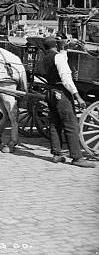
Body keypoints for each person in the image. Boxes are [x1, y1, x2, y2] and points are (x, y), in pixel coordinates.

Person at [41, 36, 95, 167]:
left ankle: (57, 154)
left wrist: (64, 49)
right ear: (56, 45)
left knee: (55, 123)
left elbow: (61, 61)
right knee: (71, 125)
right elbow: (66, 79)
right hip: (61, 93)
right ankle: (77, 157)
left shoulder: (45, 57)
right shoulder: (58, 57)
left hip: (50, 91)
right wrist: (77, 96)